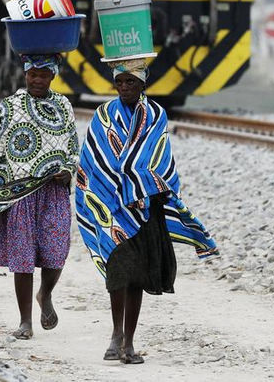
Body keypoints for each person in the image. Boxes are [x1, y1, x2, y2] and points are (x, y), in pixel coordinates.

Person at [75, 58, 218, 364]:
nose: (124, 87)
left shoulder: (155, 115)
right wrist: (110, 188)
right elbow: (94, 159)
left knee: (137, 276)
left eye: (131, 82)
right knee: (117, 272)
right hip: (112, 207)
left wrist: (140, 185)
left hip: (145, 209)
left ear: (142, 83)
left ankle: (128, 342)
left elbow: (158, 157)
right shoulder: (103, 115)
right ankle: (115, 335)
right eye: (119, 82)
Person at [0, 54, 78, 340]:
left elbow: (73, 145)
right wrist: (4, 169)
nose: (37, 80)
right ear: (25, 75)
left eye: (43, 75)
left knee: (56, 252)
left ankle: (45, 294)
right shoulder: (10, 105)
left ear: (53, 76)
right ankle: (25, 321)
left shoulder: (63, 105)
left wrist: (68, 170)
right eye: (32, 74)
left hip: (53, 192)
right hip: (20, 193)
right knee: (22, 257)